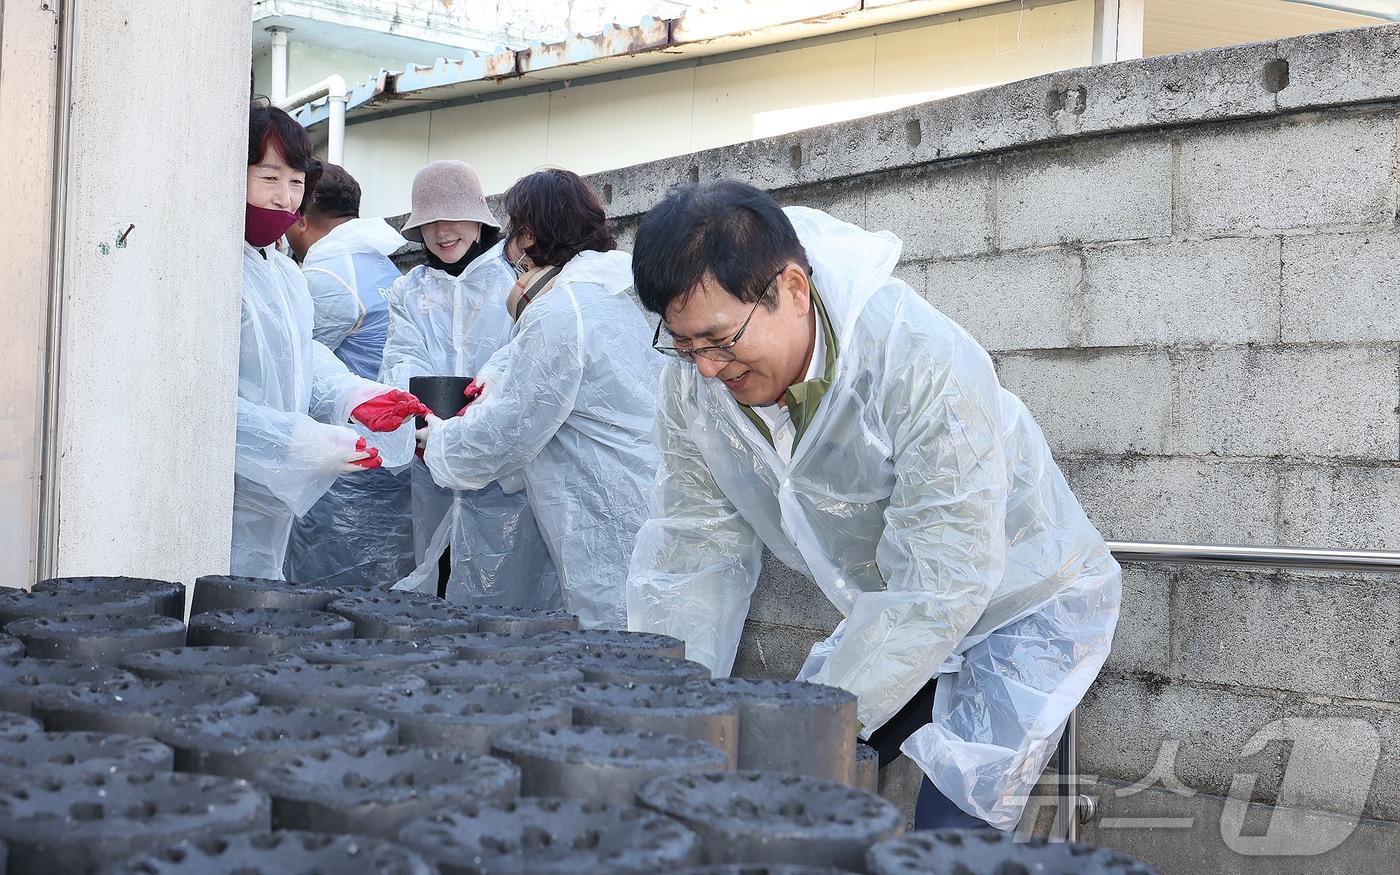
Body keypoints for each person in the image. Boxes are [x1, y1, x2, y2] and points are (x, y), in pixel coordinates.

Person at [625, 180, 1122, 831]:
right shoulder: (694, 388)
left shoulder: (918, 360)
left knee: (946, 838)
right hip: (894, 615)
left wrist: (804, 722)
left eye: (719, 340)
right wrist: (672, 713)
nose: (708, 369)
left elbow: (945, 579)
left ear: (793, 290)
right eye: (684, 345)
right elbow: (696, 547)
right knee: (785, 794)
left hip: (1016, 605)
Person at [415, 168, 662, 628]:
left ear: (528, 234)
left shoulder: (559, 310)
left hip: (608, 514)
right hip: (647, 498)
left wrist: (442, 441)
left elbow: (508, 432)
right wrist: (500, 371)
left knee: (621, 650)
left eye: (514, 230)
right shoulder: (617, 287)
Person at [235, 99, 428, 580]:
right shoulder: (210, 265)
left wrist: (353, 395)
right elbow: (196, 402)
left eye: (296, 183)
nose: (285, 198)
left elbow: (303, 357)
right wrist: (294, 441)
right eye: (268, 178)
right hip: (215, 498)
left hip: (270, 499)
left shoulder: (283, 271)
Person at [379, 160, 558, 606]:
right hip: (431, 455)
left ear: (480, 219)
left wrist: (488, 403)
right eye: (431, 222)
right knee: (437, 572)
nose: (443, 231)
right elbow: (401, 357)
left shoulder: (515, 278)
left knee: (509, 577)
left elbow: (527, 353)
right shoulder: (410, 289)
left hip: (503, 461)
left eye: (454, 217)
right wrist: (419, 411)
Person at [280, 164, 417, 587]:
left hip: (345, 467)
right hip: (389, 453)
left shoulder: (326, 274)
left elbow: (294, 368)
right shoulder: (378, 264)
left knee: (325, 596)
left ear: (301, 218)